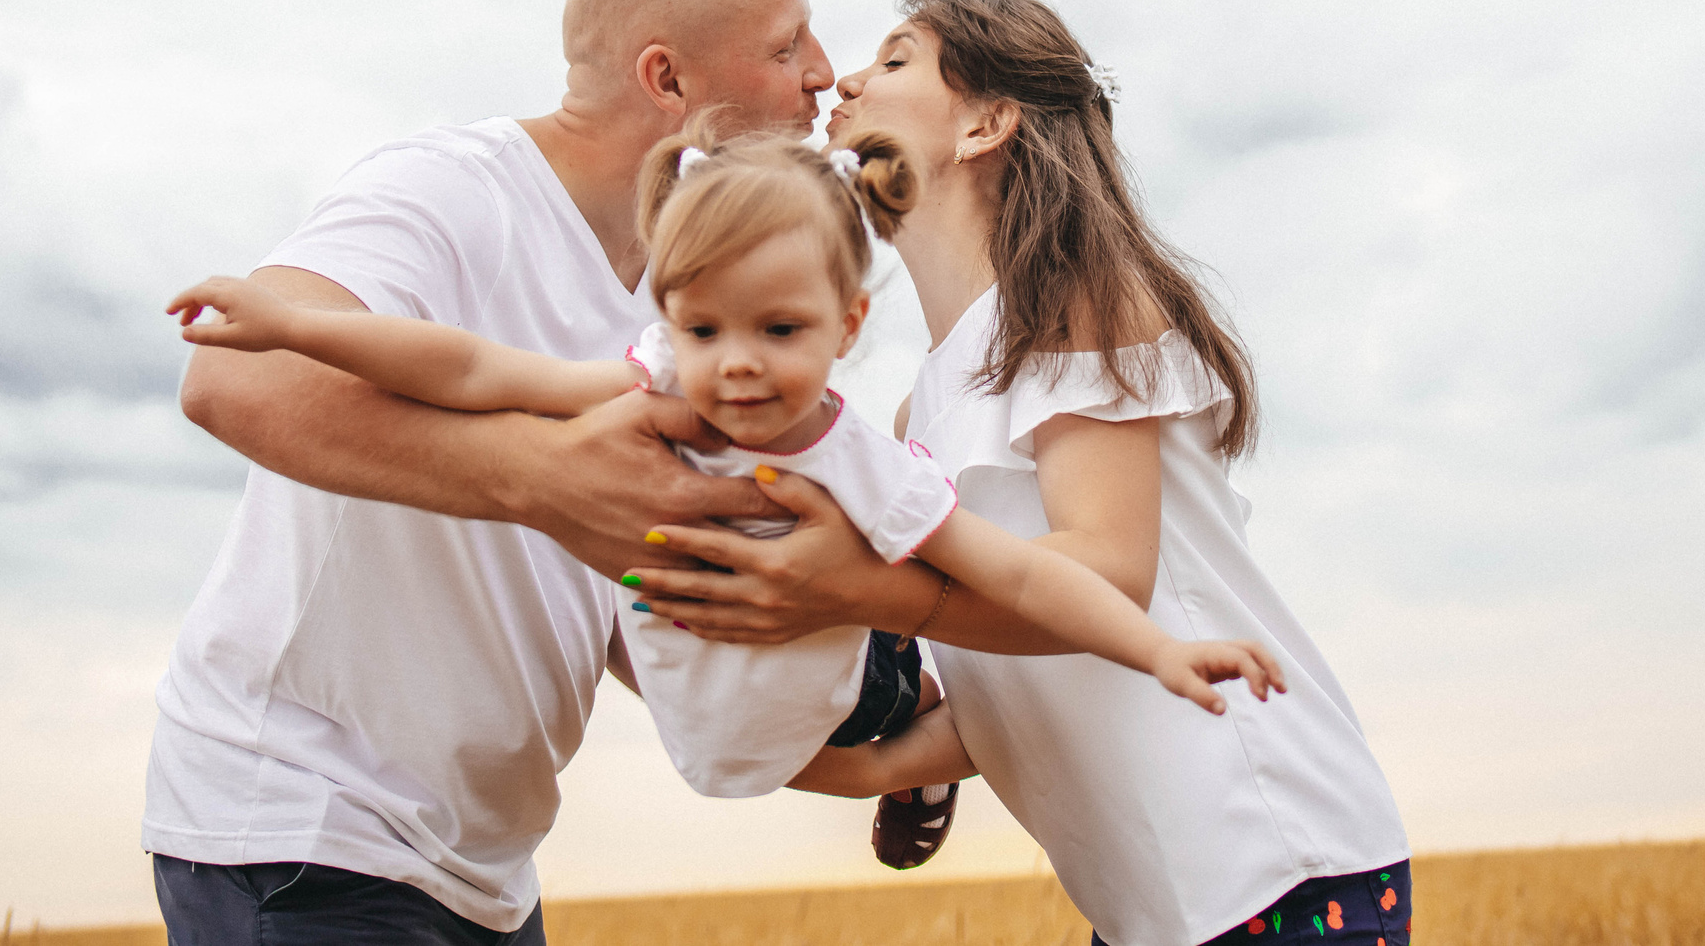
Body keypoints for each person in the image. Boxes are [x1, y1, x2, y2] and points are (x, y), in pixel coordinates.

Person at [164, 124, 1285, 807]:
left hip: (822, 698)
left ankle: (917, 730)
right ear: (667, 320)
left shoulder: (859, 462)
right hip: (701, 718)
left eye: (779, 331)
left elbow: (1022, 572)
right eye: (703, 329)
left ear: (847, 325)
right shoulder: (651, 385)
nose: (737, 364)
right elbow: (465, 365)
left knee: (897, 672)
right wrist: (291, 322)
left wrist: (1160, 650)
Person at [627, 0, 1415, 946]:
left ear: (985, 124)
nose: (847, 80)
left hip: (1273, 858)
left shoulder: (1072, 299)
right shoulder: (920, 407)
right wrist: (848, 761)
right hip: (1152, 911)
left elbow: (1110, 572)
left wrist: (857, 590)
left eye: (896, 58)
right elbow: (1008, 668)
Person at [144, 0, 857, 946]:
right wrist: (546, 477)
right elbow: (231, 378)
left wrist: (864, 735)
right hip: (303, 831)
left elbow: (610, 585)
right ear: (667, 80)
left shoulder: (685, 295)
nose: (824, 74)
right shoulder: (450, 188)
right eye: (787, 45)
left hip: (486, 870)